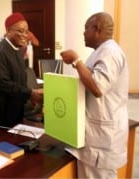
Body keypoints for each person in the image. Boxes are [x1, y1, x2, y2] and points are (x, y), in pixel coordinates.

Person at [60, 12, 129, 178]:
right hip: (96, 134)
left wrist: (76, 61)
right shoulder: (101, 51)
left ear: (97, 29)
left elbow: (97, 88)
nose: (83, 33)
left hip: (102, 139)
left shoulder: (110, 53)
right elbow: (89, 80)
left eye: (86, 28)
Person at [0, 12, 42, 130]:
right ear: (9, 31)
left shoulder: (18, 51)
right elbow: (3, 83)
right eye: (20, 31)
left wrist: (29, 97)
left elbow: (21, 78)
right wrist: (30, 93)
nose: (25, 35)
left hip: (15, 111)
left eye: (26, 31)